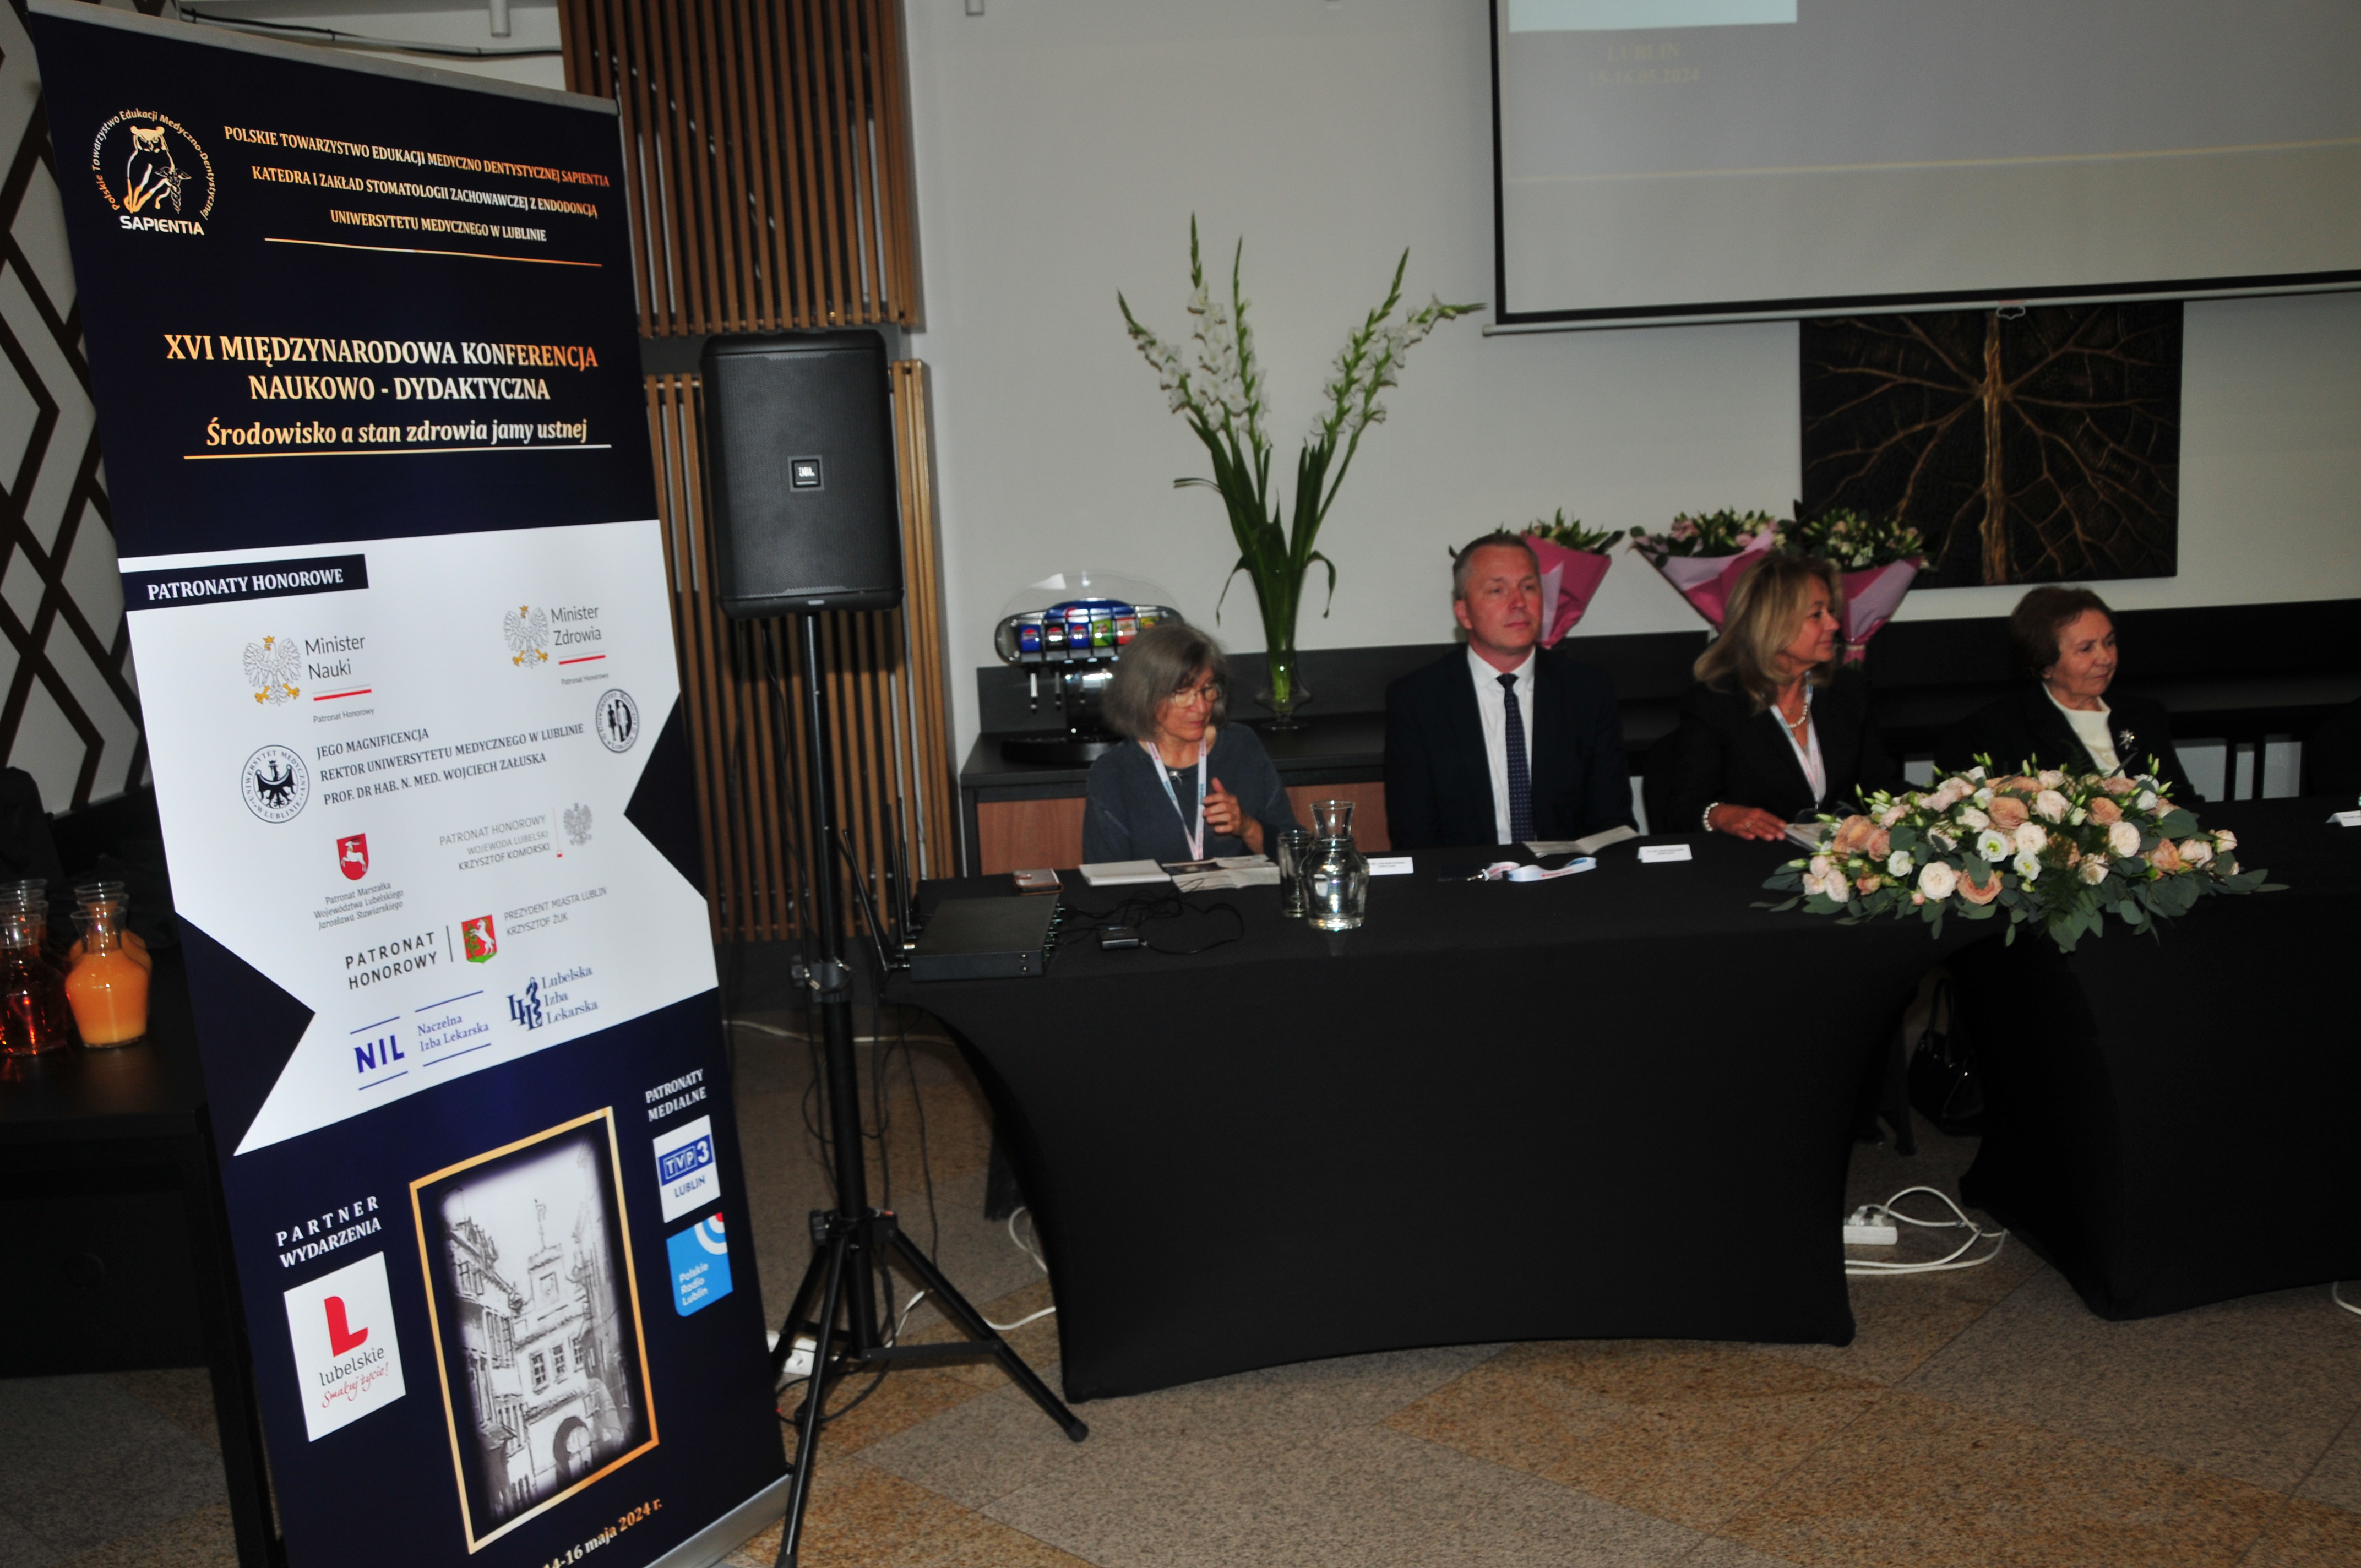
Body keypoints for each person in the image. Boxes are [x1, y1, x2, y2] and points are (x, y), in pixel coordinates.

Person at [1384, 531, 1633, 850]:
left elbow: (1613, 824)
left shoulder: (1588, 691)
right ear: (1464, 613)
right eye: (1497, 590)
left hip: (1570, 875)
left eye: (1529, 587)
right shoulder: (1418, 700)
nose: (1519, 603)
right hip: (1466, 877)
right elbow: (1414, 835)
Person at [1660, 553, 1902, 839]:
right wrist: (1720, 815)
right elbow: (1684, 812)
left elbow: (1881, 789)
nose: (1834, 625)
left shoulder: (1849, 691)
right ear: (1772, 623)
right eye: (1817, 614)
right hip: (1754, 860)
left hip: (1841, 858)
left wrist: (1939, 803)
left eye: (1831, 611)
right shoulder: (1715, 703)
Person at [1935, 586, 2197, 799]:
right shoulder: (1997, 732)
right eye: (2086, 649)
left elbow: (2183, 803)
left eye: (2109, 642)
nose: (2106, 658)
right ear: (2046, 665)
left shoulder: (2145, 716)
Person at [1081, 621, 1299, 863]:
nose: (1202, 706)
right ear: (1144, 695)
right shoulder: (1113, 773)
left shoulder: (1241, 746)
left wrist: (1248, 827)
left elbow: (1297, 854)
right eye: (1182, 693)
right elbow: (1105, 878)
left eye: (1208, 689)